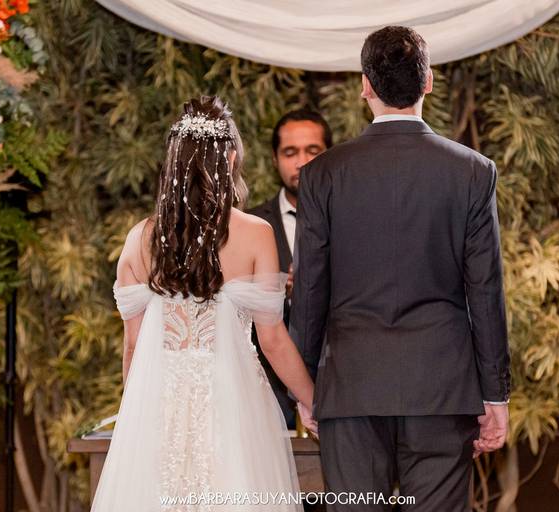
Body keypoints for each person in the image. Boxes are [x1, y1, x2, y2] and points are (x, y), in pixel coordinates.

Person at [290, 26, 511, 511]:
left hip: (351, 386)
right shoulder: (472, 171)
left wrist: (305, 388)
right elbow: (485, 291)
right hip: (442, 389)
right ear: (428, 82)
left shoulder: (323, 174)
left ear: (365, 86)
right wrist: (495, 395)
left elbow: (309, 291)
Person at [91, 96, 317, 511]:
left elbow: (133, 346)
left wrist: (135, 416)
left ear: (174, 162)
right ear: (230, 158)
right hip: (231, 405)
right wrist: (312, 400)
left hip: (159, 407)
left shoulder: (139, 239)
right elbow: (272, 340)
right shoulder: (256, 233)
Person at [247, 109, 333, 429]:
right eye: (290, 152)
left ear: (330, 155)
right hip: (267, 395)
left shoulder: (354, 220)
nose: (301, 162)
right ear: (275, 159)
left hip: (340, 387)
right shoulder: (250, 224)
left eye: (313, 150)